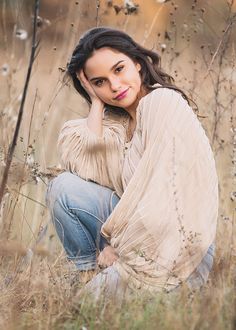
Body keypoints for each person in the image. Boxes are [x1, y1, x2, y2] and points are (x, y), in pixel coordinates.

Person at [46, 27, 218, 298]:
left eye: (119, 69)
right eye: (100, 82)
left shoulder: (163, 102)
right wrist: (96, 103)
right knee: (62, 188)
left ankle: (106, 285)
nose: (114, 86)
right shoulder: (120, 127)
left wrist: (117, 247)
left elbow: (161, 196)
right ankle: (89, 276)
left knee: (84, 307)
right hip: (136, 236)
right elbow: (80, 159)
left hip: (179, 247)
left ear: (137, 62)